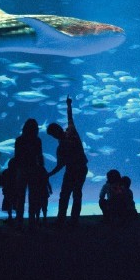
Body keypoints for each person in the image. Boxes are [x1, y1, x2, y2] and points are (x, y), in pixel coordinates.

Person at [47, 95, 89, 227]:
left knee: (64, 195)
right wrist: (69, 104)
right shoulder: (72, 131)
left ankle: (61, 220)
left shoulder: (61, 147)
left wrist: (49, 174)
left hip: (72, 171)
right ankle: (74, 221)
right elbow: (70, 117)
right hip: (82, 168)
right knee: (77, 194)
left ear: (54, 135)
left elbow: (60, 165)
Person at [14, 118, 44, 228]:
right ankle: (32, 221)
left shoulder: (19, 140)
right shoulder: (37, 140)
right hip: (33, 170)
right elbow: (40, 157)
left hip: (21, 170)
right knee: (33, 197)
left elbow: (16, 157)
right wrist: (42, 169)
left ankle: (19, 222)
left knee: (20, 197)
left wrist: (15, 171)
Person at [0, 157, 18, 225]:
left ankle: (10, 217)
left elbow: (1, 181)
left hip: (8, 191)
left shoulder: (5, 171)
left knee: (9, 205)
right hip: (14, 191)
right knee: (15, 204)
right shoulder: (17, 172)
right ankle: (16, 217)